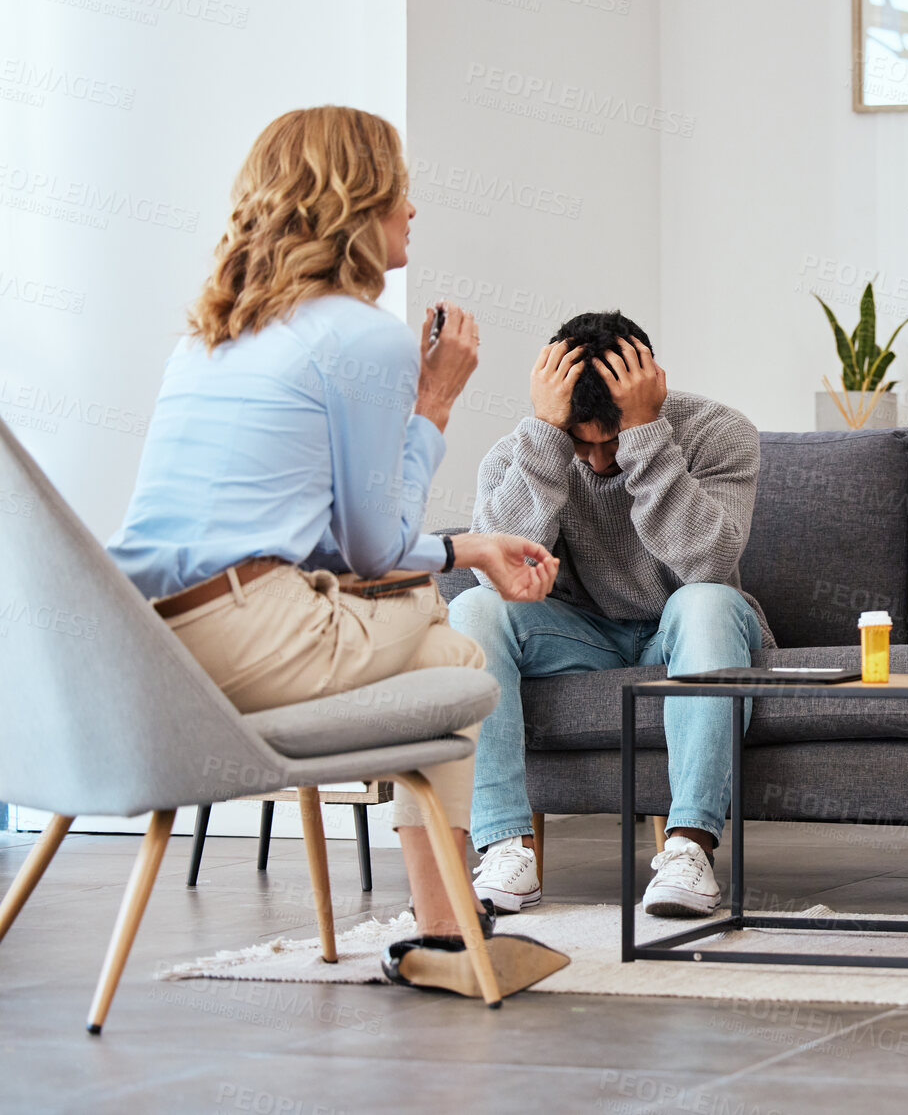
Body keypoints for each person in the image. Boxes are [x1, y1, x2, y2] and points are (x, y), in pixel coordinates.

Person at [106, 105, 566, 996]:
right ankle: (447, 926)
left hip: (150, 650)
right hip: (256, 638)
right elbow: (373, 545)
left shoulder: (210, 337)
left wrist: (470, 543)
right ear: (356, 201)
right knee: (446, 629)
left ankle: (445, 931)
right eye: (400, 189)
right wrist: (433, 405)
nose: (414, 211)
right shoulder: (364, 338)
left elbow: (322, 540)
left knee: (445, 648)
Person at [449, 311, 770, 918]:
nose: (598, 464)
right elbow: (500, 570)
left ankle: (689, 849)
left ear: (652, 391)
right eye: (582, 443)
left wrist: (646, 438)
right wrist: (548, 440)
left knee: (705, 601)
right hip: (579, 636)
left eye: (612, 441)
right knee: (472, 607)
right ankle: (504, 849)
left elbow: (707, 562)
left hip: (687, 627)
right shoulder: (526, 448)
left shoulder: (720, 433)